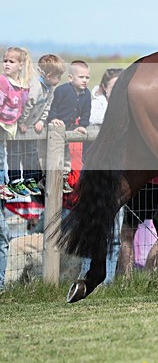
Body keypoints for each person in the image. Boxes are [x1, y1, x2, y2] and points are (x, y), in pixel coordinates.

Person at [79, 67, 124, 284]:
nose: (117, 91)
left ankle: (109, 282)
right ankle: (88, 276)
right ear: (105, 88)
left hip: (117, 173)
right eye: (113, 86)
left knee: (115, 236)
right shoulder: (97, 106)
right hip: (99, 173)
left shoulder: (124, 108)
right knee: (96, 230)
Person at [0, 46, 35, 291]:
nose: (7, 64)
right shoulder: (3, 83)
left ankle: (2, 284)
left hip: (11, 138)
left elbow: (27, 111)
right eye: (5, 60)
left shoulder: (24, 87)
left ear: (21, 64)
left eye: (12, 61)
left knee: (3, 235)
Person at [7, 54, 65, 196]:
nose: (59, 80)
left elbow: (47, 106)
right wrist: (22, 122)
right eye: (58, 77)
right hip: (19, 125)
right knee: (15, 152)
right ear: (49, 75)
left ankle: (29, 179)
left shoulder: (49, 89)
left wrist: (41, 121)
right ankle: (14, 180)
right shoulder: (35, 87)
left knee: (31, 153)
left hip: (32, 126)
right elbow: (26, 105)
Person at [47, 60, 91, 193]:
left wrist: (82, 125)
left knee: (67, 158)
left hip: (69, 128)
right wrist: (53, 118)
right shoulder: (62, 90)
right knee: (50, 157)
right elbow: (52, 107)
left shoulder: (86, 94)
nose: (85, 80)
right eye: (81, 77)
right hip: (55, 127)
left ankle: (63, 180)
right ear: (71, 78)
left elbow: (86, 112)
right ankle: (48, 180)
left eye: (87, 77)